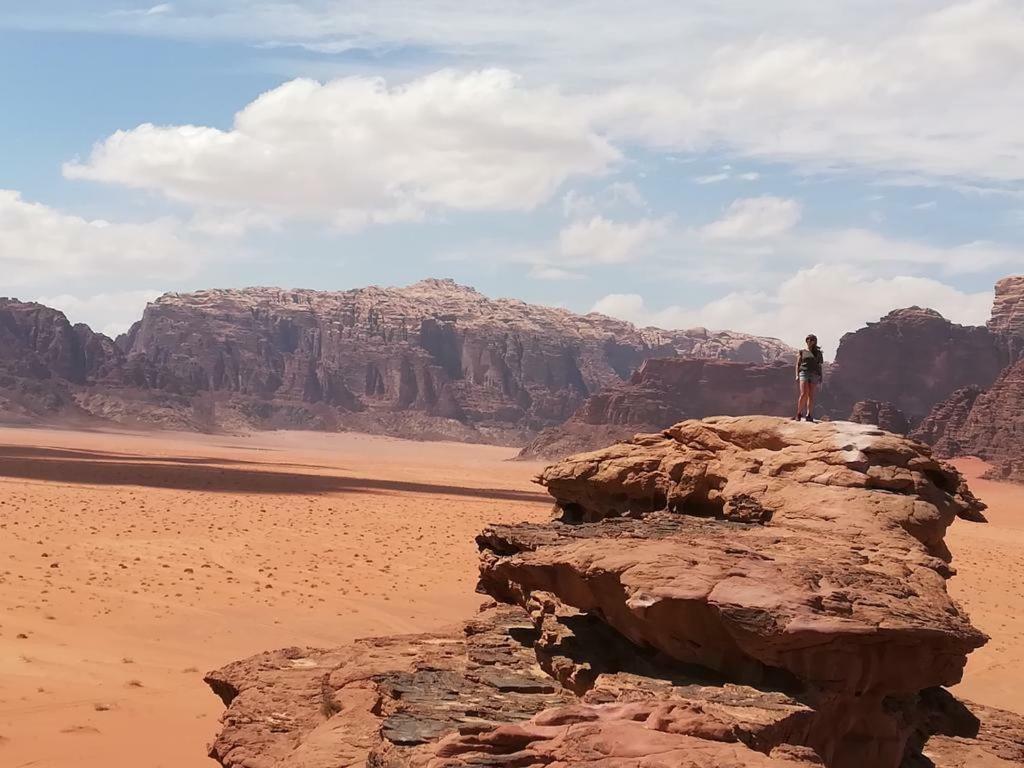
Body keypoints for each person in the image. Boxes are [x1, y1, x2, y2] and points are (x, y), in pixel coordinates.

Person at [795, 334, 824, 422]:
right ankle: (799, 413)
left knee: (811, 395)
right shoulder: (802, 351)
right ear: (806, 341)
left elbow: (819, 366)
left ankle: (809, 415)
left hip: (814, 374)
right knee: (804, 393)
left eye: (812, 340)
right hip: (804, 373)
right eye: (809, 340)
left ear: (815, 341)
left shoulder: (818, 353)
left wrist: (821, 377)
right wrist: (797, 375)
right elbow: (798, 364)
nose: (810, 341)